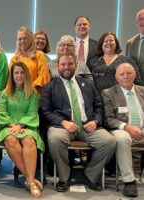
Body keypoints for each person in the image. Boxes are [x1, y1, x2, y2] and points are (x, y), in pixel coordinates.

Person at [40, 52, 116, 192]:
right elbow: (45, 111)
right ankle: (64, 177)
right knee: (55, 140)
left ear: (76, 65)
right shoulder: (49, 87)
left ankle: (90, 175)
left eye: (69, 64)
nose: (66, 67)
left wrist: (95, 121)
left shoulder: (88, 84)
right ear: (58, 67)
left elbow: (98, 105)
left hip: (87, 126)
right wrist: (63, 122)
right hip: (61, 127)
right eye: (63, 64)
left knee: (109, 142)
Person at [0, 61, 44, 197]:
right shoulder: (6, 93)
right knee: (10, 139)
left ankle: (29, 179)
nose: (19, 75)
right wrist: (13, 126)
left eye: (22, 72)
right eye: (16, 73)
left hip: (27, 126)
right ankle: (31, 180)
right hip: (8, 127)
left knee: (29, 139)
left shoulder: (33, 93)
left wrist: (20, 125)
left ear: (26, 75)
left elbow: (32, 113)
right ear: (12, 75)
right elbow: (2, 114)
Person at [102, 63, 144, 198]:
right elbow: (108, 119)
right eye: (122, 74)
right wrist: (127, 127)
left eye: (129, 73)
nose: (126, 76)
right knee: (123, 138)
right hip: (121, 128)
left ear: (135, 74)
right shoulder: (108, 93)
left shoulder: (142, 91)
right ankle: (129, 180)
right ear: (116, 77)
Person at [9, 27, 50, 94]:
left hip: (35, 95)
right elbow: (9, 80)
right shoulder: (14, 59)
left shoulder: (39, 55)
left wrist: (28, 89)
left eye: (25, 38)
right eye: (20, 39)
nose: (22, 41)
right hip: (17, 96)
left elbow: (43, 76)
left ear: (31, 39)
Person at [126, 9, 144, 85]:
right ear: (137, 23)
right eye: (141, 19)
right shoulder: (130, 43)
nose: (143, 22)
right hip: (135, 86)